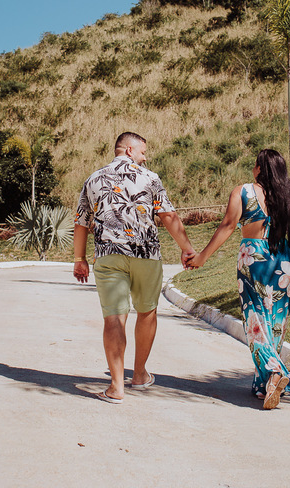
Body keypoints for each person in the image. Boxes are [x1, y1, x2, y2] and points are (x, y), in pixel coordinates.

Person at [73, 131, 196, 404]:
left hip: (108, 256)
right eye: (142, 152)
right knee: (147, 312)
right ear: (129, 150)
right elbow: (167, 215)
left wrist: (79, 259)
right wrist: (187, 248)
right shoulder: (150, 177)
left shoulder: (92, 179)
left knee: (114, 317)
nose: (145, 157)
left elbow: (81, 222)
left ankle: (117, 387)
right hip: (146, 255)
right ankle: (139, 374)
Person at [187, 148, 290, 409]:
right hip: (284, 263)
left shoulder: (243, 192)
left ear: (259, 169)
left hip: (253, 260)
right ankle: (263, 384)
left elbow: (227, 226)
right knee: (274, 324)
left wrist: (202, 257)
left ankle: (276, 372)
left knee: (255, 322)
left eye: (254, 165)